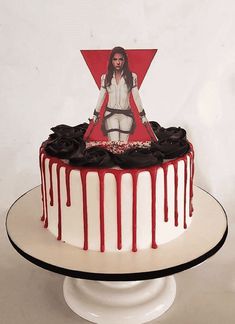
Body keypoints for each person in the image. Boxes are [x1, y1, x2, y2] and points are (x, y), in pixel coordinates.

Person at [92, 46, 148, 142]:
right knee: (114, 144)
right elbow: (101, 96)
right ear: (111, 61)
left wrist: (143, 115)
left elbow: (136, 97)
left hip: (126, 115)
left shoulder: (132, 76)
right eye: (115, 59)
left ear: (124, 61)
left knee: (123, 146)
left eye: (121, 59)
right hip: (110, 115)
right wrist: (95, 114)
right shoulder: (105, 78)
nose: (118, 62)